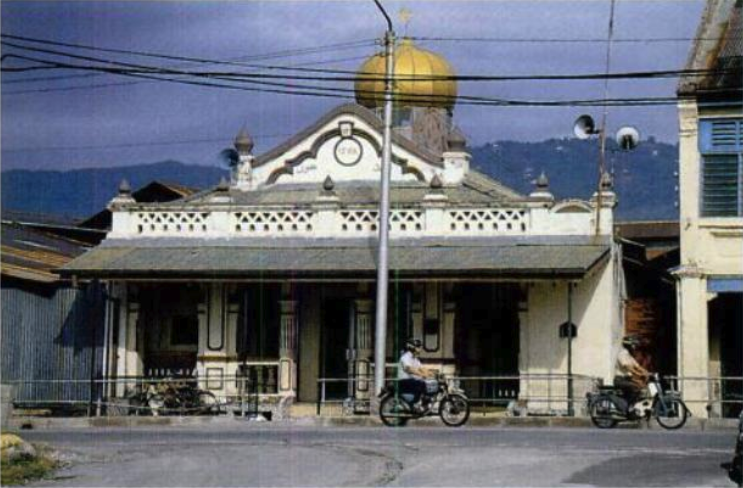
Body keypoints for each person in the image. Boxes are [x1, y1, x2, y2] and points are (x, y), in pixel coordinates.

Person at [614, 335, 650, 410]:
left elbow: (637, 366)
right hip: (620, 380)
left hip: (627, 379)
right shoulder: (622, 354)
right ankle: (629, 408)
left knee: (642, 386)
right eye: (633, 345)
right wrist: (638, 374)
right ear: (629, 345)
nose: (634, 347)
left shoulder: (629, 355)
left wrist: (647, 372)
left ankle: (632, 406)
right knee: (637, 387)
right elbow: (628, 367)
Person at [398, 338, 435, 410]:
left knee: (428, 384)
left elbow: (421, 368)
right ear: (412, 347)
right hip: (404, 381)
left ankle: (424, 404)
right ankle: (417, 404)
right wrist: (421, 375)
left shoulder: (415, 358)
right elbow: (409, 369)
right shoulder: (405, 357)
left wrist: (431, 373)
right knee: (422, 384)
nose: (420, 349)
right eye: (418, 347)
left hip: (411, 380)